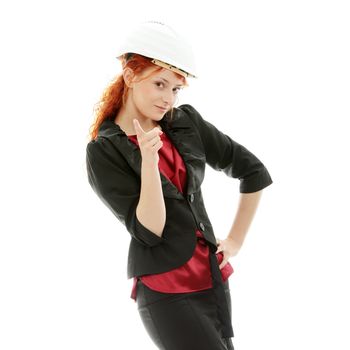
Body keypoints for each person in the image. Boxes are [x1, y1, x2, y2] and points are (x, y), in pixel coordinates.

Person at [86, 20, 273, 350]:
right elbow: (150, 229)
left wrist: (235, 241)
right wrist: (148, 159)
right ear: (130, 76)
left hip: (211, 277)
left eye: (175, 89)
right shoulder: (104, 150)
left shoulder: (185, 122)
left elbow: (253, 171)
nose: (167, 99)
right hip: (166, 289)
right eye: (159, 84)